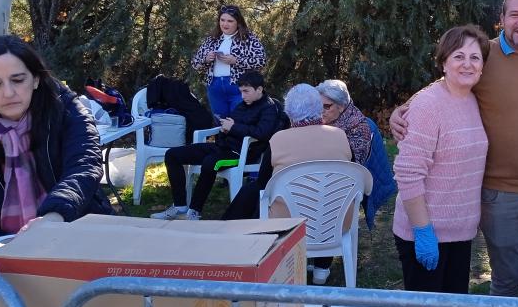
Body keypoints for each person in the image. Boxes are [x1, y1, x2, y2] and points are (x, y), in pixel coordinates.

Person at [391, 0, 518, 299]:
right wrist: (405, 108)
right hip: (500, 197)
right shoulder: (484, 53)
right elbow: (447, 82)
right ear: (501, 19)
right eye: (515, 14)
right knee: (505, 283)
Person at [0, 36, 111, 267]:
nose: (8, 92)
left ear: (36, 79)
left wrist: (53, 217)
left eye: (18, 80)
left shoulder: (67, 110)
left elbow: (84, 165)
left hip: (77, 234)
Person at [221, 83, 365, 286]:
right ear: (318, 109)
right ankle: (321, 268)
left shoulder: (278, 141)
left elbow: (263, 185)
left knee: (254, 191)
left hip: (289, 224)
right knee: (326, 195)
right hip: (335, 222)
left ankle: (226, 242)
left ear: (289, 113)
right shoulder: (340, 136)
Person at [393, 25, 489, 293]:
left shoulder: (472, 100)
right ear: (443, 63)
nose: (467, 64)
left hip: (460, 234)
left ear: (482, 66)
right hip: (426, 234)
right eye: (458, 56)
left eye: (475, 57)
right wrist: (423, 231)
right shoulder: (428, 105)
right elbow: (408, 173)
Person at [152, 70, 280, 220]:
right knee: (172, 155)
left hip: (240, 153)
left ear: (259, 89)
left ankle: (194, 211)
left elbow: (262, 133)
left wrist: (233, 127)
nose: (243, 96)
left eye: (246, 91)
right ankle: (179, 205)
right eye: (241, 91)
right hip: (221, 146)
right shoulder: (243, 104)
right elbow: (233, 124)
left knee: (210, 162)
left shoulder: (269, 108)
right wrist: (224, 128)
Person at [191, 4, 267, 119]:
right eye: (222, 20)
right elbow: (195, 63)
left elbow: (261, 61)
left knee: (238, 121)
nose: (225, 24)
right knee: (220, 122)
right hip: (215, 87)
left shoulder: (249, 38)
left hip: (239, 86)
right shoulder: (212, 39)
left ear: (238, 22)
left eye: (230, 21)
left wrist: (236, 60)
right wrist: (206, 59)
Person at [317, 79, 372, 163]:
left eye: (326, 106)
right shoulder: (322, 120)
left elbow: (353, 166)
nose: (321, 110)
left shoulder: (359, 128)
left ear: (341, 106)